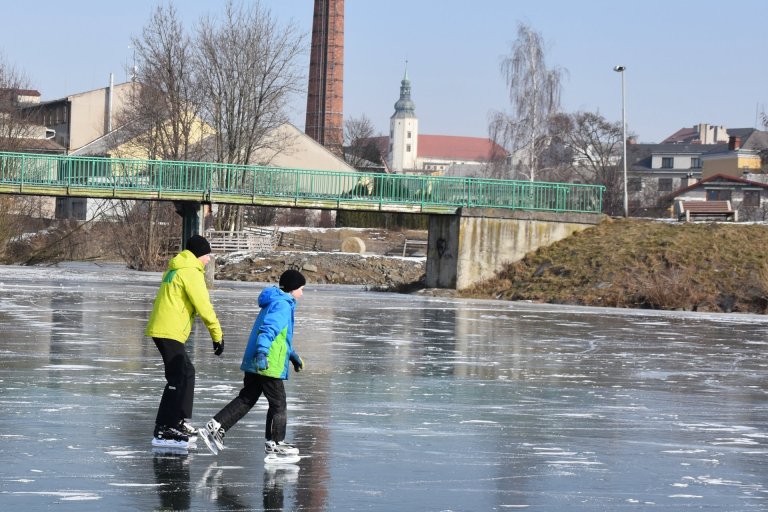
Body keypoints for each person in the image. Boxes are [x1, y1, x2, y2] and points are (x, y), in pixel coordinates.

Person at [201, 269, 306, 458]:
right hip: (267, 364)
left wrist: (292, 355)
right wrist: (262, 353)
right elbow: (268, 331)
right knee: (279, 404)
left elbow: (279, 339)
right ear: (292, 289)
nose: (302, 293)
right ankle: (275, 443)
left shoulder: (273, 302)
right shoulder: (283, 305)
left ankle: (217, 425)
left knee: (247, 398)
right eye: (301, 289)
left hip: (259, 360)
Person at [146, 234, 224, 448]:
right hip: (167, 329)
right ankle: (165, 427)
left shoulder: (177, 268)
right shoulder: (190, 272)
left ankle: (177, 420)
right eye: (207, 254)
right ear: (198, 254)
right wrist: (217, 335)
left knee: (185, 373)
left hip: (165, 328)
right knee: (178, 376)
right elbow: (204, 306)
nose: (209, 259)